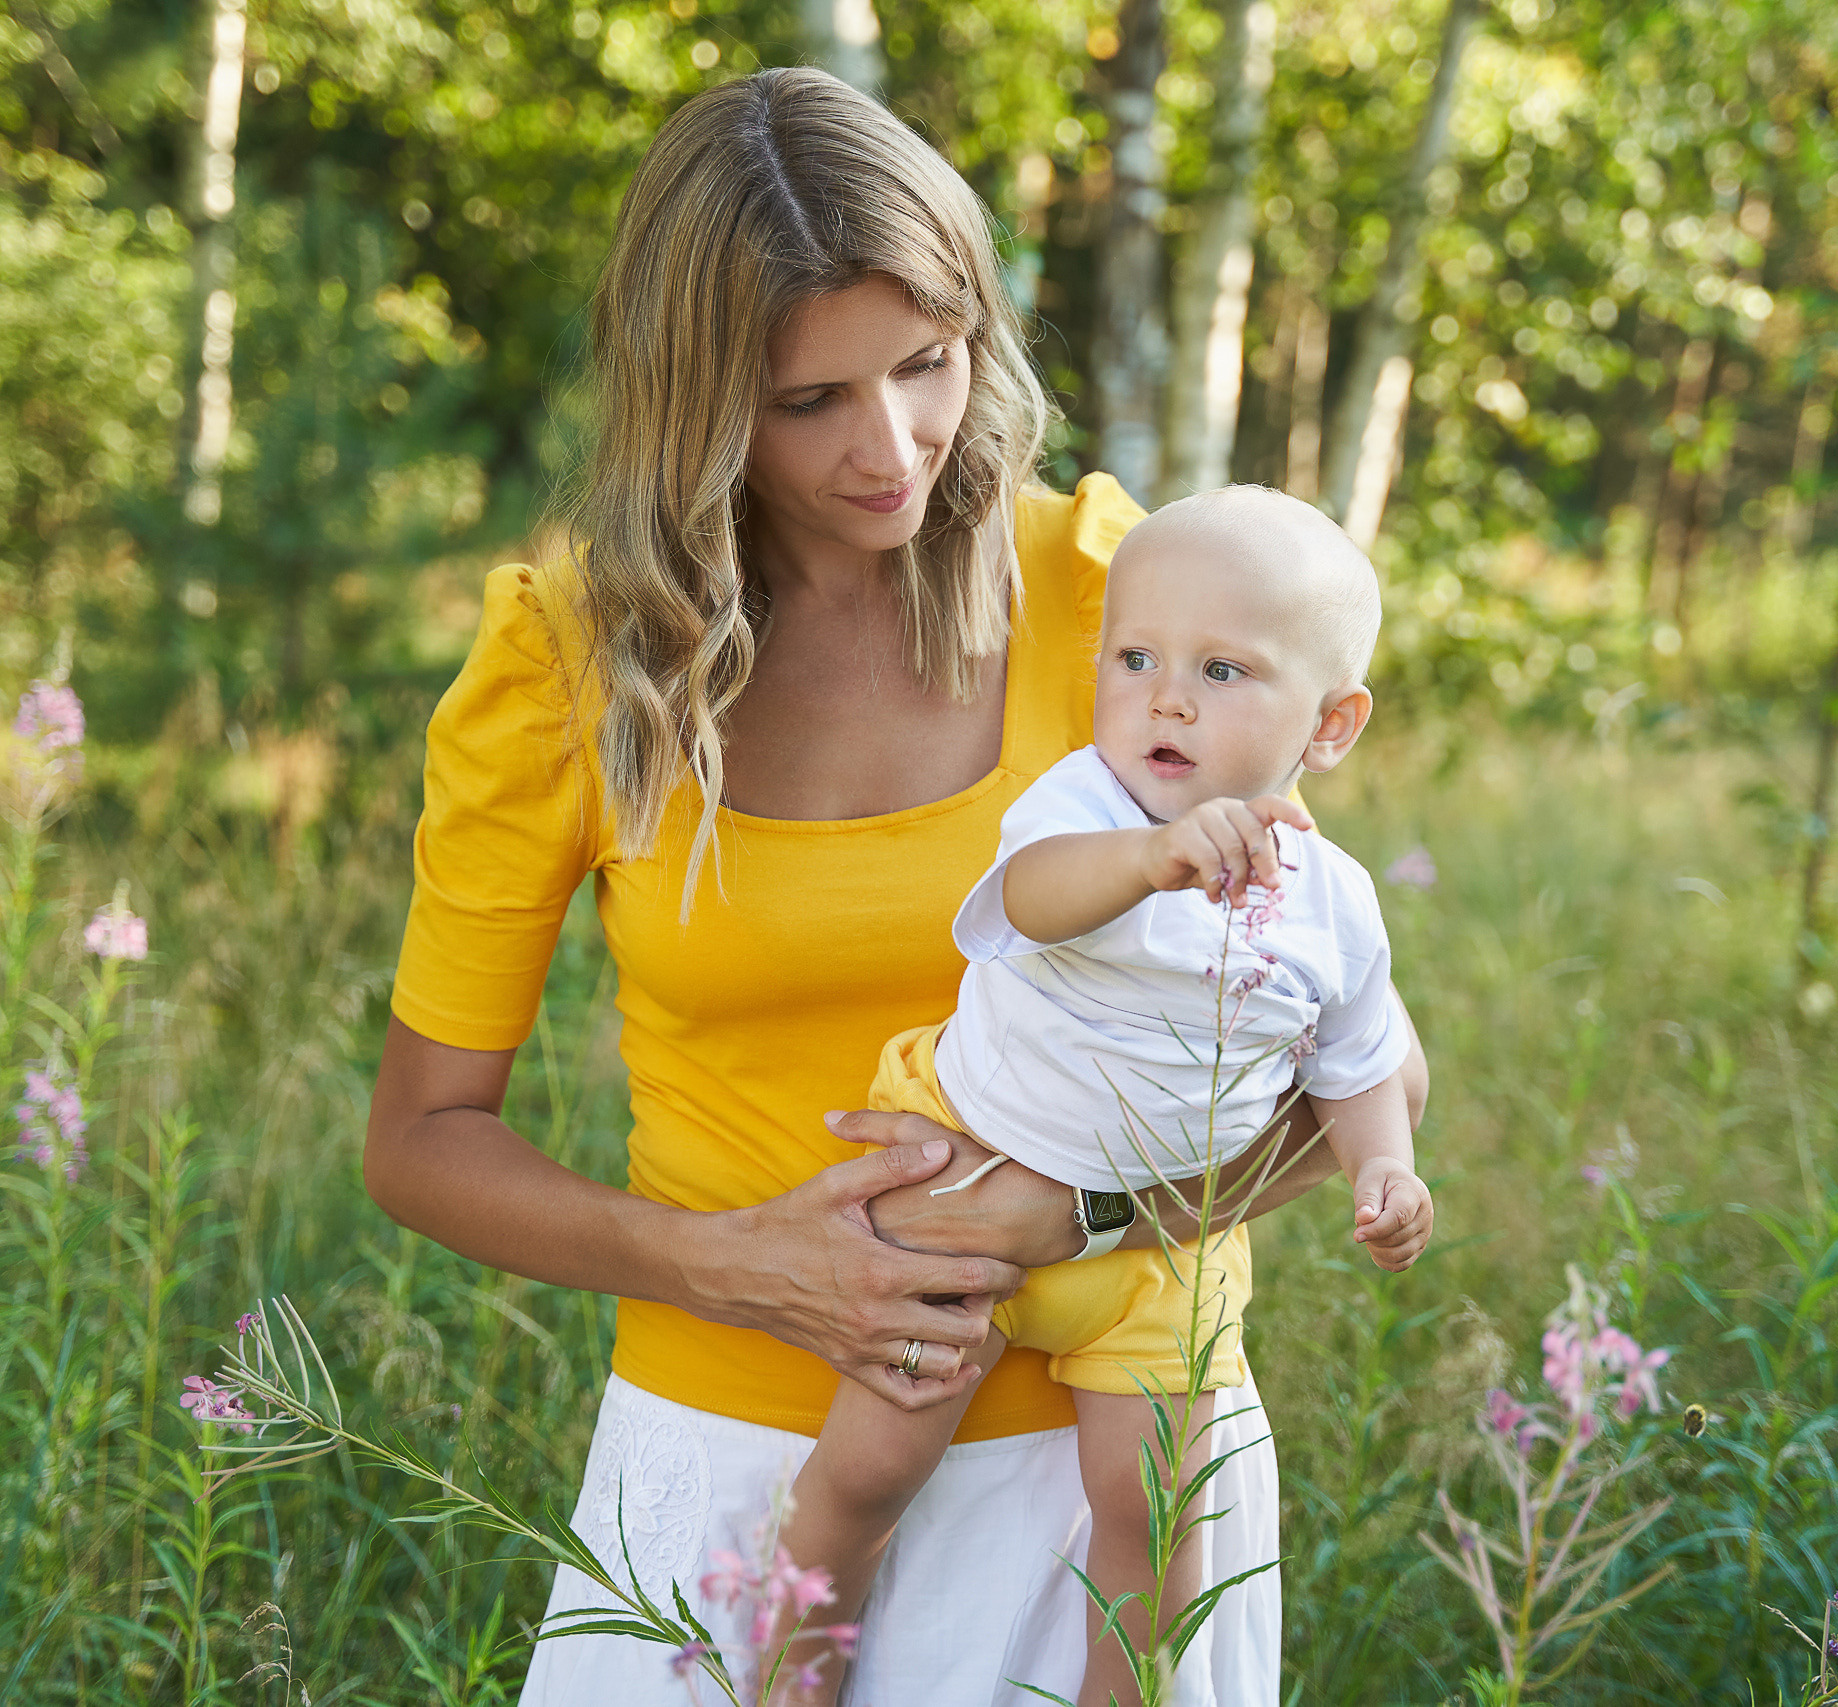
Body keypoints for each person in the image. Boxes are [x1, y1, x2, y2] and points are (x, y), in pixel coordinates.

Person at [361, 67, 1428, 1705]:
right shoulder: (572, 658)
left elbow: (1347, 1044)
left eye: (927, 366)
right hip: (726, 1464)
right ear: (696, 398)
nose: (891, 447)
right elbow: (424, 1141)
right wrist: (739, 1263)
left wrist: (1074, 1209)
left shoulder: (1127, 601)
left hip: (1107, 1474)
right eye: (809, 402)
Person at [770, 486, 1435, 1707]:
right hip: (965, 1173)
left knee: (1153, 1519)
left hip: (1163, 1254)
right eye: (1135, 658)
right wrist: (1150, 860)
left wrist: (1385, 1165)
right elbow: (1028, 898)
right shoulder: (1086, 806)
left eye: (1223, 670)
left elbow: (1357, 1059)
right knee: (870, 1464)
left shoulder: (1335, 902)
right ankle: (788, 1669)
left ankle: (1121, 1693)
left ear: (1331, 725)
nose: (1166, 698)